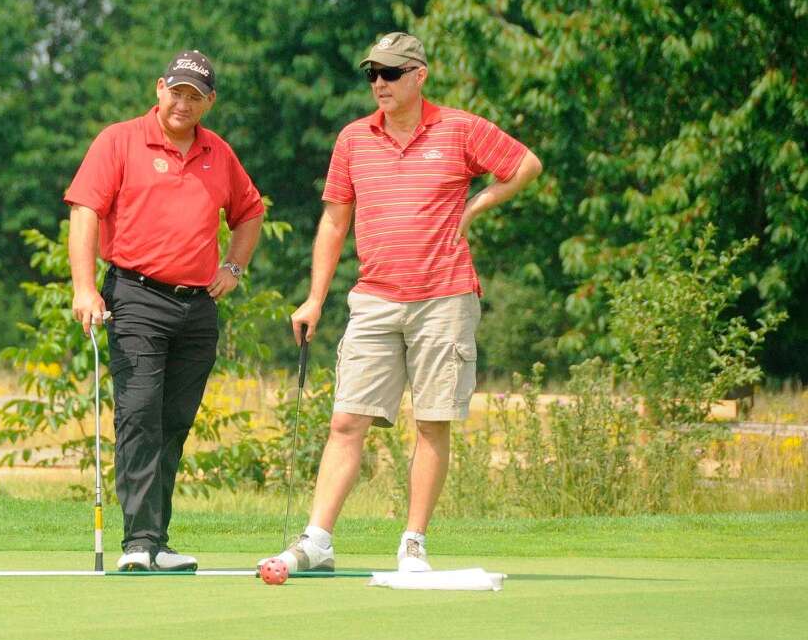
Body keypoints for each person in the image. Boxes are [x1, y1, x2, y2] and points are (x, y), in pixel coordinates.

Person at [263, 32, 542, 573]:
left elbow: (525, 165)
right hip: (374, 299)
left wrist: (475, 206)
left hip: (445, 298)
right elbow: (334, 220)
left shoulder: (459, 128)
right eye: (372, 74)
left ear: (419, 76)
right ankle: (317, 540)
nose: (379, 84)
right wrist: (314, 298)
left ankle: (413, 540)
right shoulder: (353, 139)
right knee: (347, 420)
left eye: (390, 73)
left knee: (432, 422)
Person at [66, 50, 264, 571]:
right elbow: (85, 212)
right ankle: (139, 543)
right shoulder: (119, 141)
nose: (183, 102)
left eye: (194, 96)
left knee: (173, 422)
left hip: (197, 307)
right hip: (135, 296)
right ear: (159, 89)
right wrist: (85, 288)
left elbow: (250, 212)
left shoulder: (219, 153)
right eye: (176, 91)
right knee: (138, 416)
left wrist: (235, 268)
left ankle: (158, 541)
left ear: (209, 103)